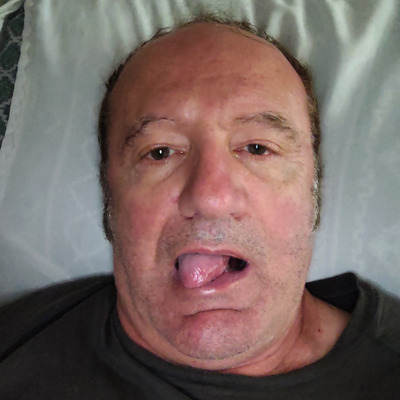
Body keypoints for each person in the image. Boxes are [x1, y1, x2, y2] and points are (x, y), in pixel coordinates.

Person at [0, 15, 399, 399]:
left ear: (314, 192)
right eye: (160, 152)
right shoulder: (15, 344)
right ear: (110, 195)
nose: (210, 197)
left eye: (257, 148)